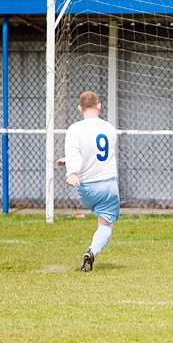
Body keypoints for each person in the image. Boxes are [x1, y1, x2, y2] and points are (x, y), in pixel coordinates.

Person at [56, 91, 119, 272]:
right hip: (109, 185)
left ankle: (90, 253)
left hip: (88, 188)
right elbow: (98, 156)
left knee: (100, 216)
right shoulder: (109, 128)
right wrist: (72, 166)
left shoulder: (75, 129)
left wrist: (72, 172)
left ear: (79, 108)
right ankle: (91, 252)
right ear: (99, 106)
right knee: (106, 225)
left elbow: (78, 153)